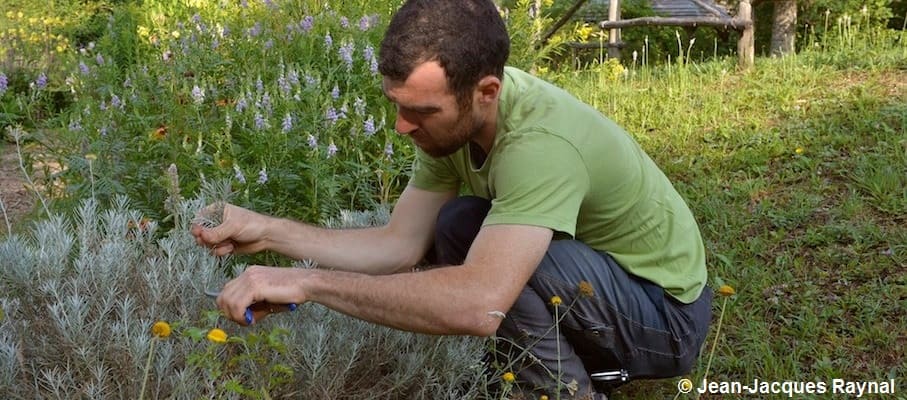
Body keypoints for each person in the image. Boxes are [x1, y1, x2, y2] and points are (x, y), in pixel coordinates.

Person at [191, 0, 711, 398]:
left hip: (664, 315)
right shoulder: (452, 122)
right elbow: (399, 246)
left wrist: (305, 282)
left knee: (501, 268)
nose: (400, 126)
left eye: (419, 110)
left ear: (485, 91)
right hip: (596, 283)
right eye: (395, 105)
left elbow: (478, 304)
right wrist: (268, 232)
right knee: (460, 223)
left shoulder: (541, 144)